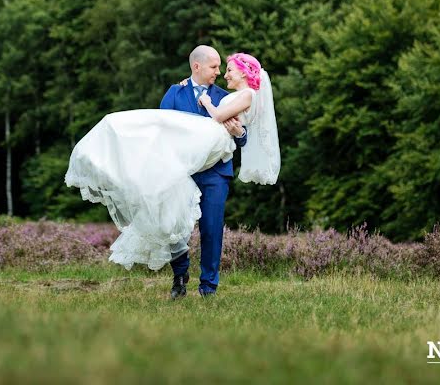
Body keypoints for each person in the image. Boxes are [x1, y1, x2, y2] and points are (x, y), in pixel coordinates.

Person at [64, 45, 280, 299]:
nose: (220, 73)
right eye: (214, 67)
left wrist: (240, 133)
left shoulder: (226, 95)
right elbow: (161, 130)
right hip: (179, 172)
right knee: (170, 223)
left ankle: (209, 287)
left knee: (211, 228)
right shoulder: (174, 93)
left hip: (215, 173)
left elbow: (243, 136)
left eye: (222, 67)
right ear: (196, 67)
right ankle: (180, 275)